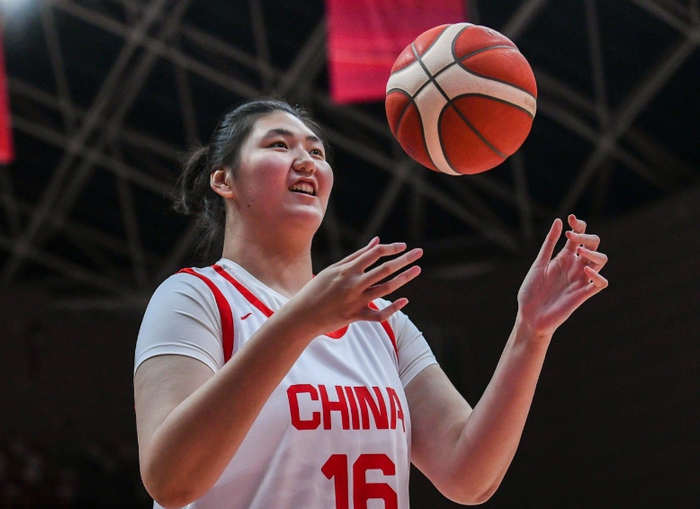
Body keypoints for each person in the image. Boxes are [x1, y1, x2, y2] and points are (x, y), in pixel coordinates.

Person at [133, 99, 609, 509]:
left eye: (316, 152)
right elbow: (170, 481)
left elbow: (469, 475)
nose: (306, 161)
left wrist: (531, 332)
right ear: (223, 180)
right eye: (279, 145)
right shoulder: (195, 297)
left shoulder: (382, 321)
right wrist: (299, 322)